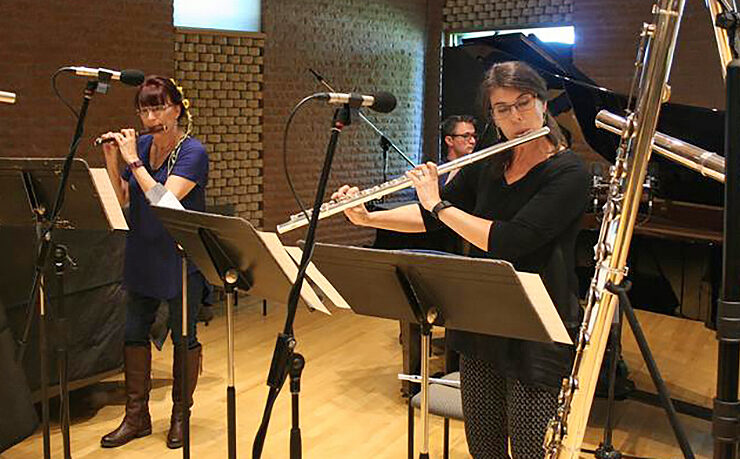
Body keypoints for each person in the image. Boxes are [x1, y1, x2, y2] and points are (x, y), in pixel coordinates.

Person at [332, 61, 589, 458]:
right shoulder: (489, 162)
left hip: (537, 327)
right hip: (480, 319)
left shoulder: (569, 172)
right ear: (493, 116)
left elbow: (509, 240)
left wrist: (437, 203)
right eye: (502, 109)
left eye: (523, 103)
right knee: (483, 448)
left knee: (531, 450)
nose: (515, 117)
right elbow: (431, 219)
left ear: (542, 103)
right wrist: (368, 216)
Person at [99, 76, 209, 449]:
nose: (150, 118)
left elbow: (166, 201)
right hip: (143, 252)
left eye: (158, 108)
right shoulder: (143, 146)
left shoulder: (193, 152)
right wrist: (112, 159)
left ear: (176, 109)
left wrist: (132, 160)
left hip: (180, 257)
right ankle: (136, 417)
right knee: (133, 333)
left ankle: (180, 416)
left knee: (183, 337)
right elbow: (124, 198)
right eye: (144, 110)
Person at [440, 114, 477, 183]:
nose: (473, 141)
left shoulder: (479, 170)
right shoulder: (437, 173)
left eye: (474, 136)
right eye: (465, 136)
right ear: (449, 140)